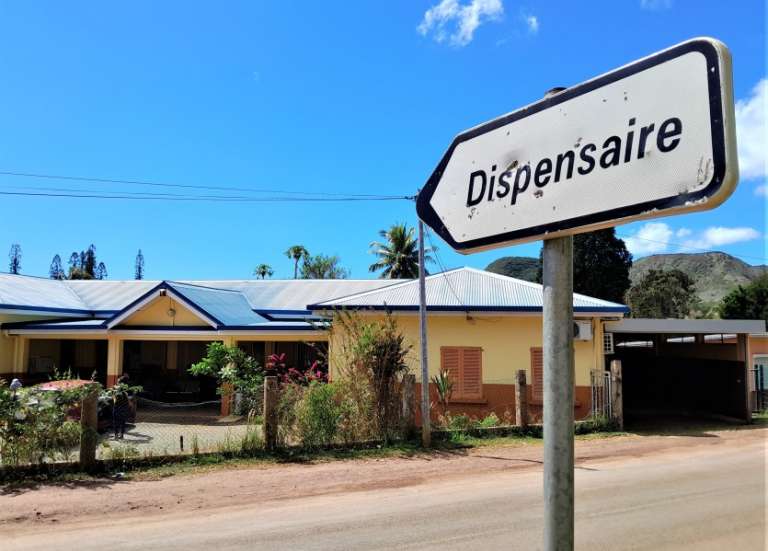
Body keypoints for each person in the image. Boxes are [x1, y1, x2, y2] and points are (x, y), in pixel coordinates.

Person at [112, 374, 131, 439]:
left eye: (118, 381)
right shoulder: (126, 390)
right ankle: (121, 435)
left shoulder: (115, 389)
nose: (117, 382)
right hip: (124, 407)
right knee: (123, 421)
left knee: (115, 421)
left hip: (117, 407)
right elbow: (128, 399)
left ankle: (116, 435)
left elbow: (114, 398)